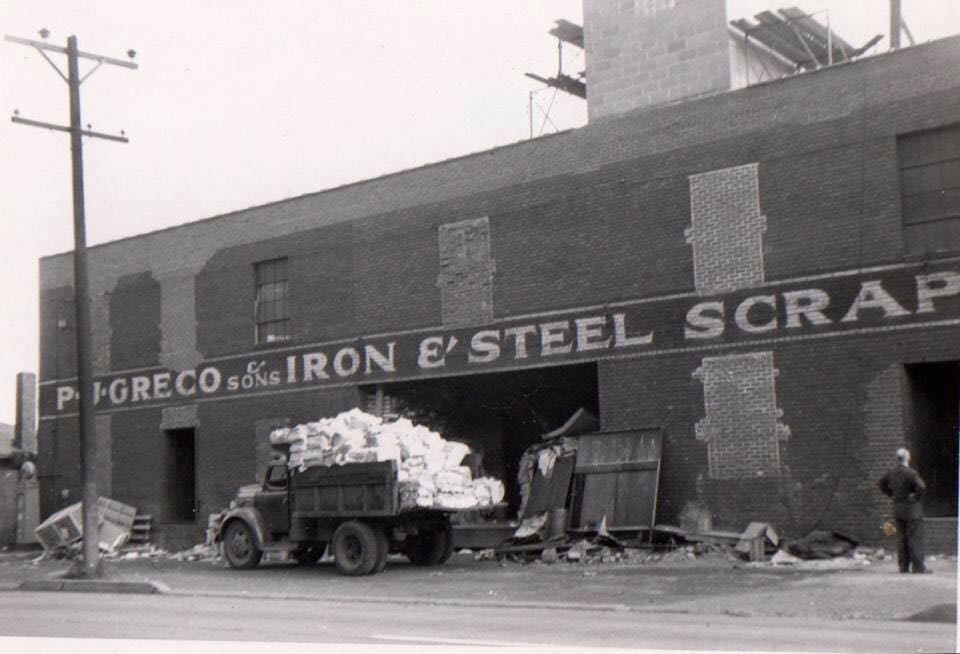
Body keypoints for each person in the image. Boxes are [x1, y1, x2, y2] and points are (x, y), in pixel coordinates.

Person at [877, 447, 928, 574]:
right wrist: (915, 498)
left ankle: (903, 567)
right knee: (915, 537)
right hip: (911, 509)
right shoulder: (911, 473)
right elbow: (921, 486)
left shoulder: (891, 472)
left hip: (897, 508)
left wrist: (891, 494)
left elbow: (881, 484)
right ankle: (918, 567)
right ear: (907, 458)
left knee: (902, 538)